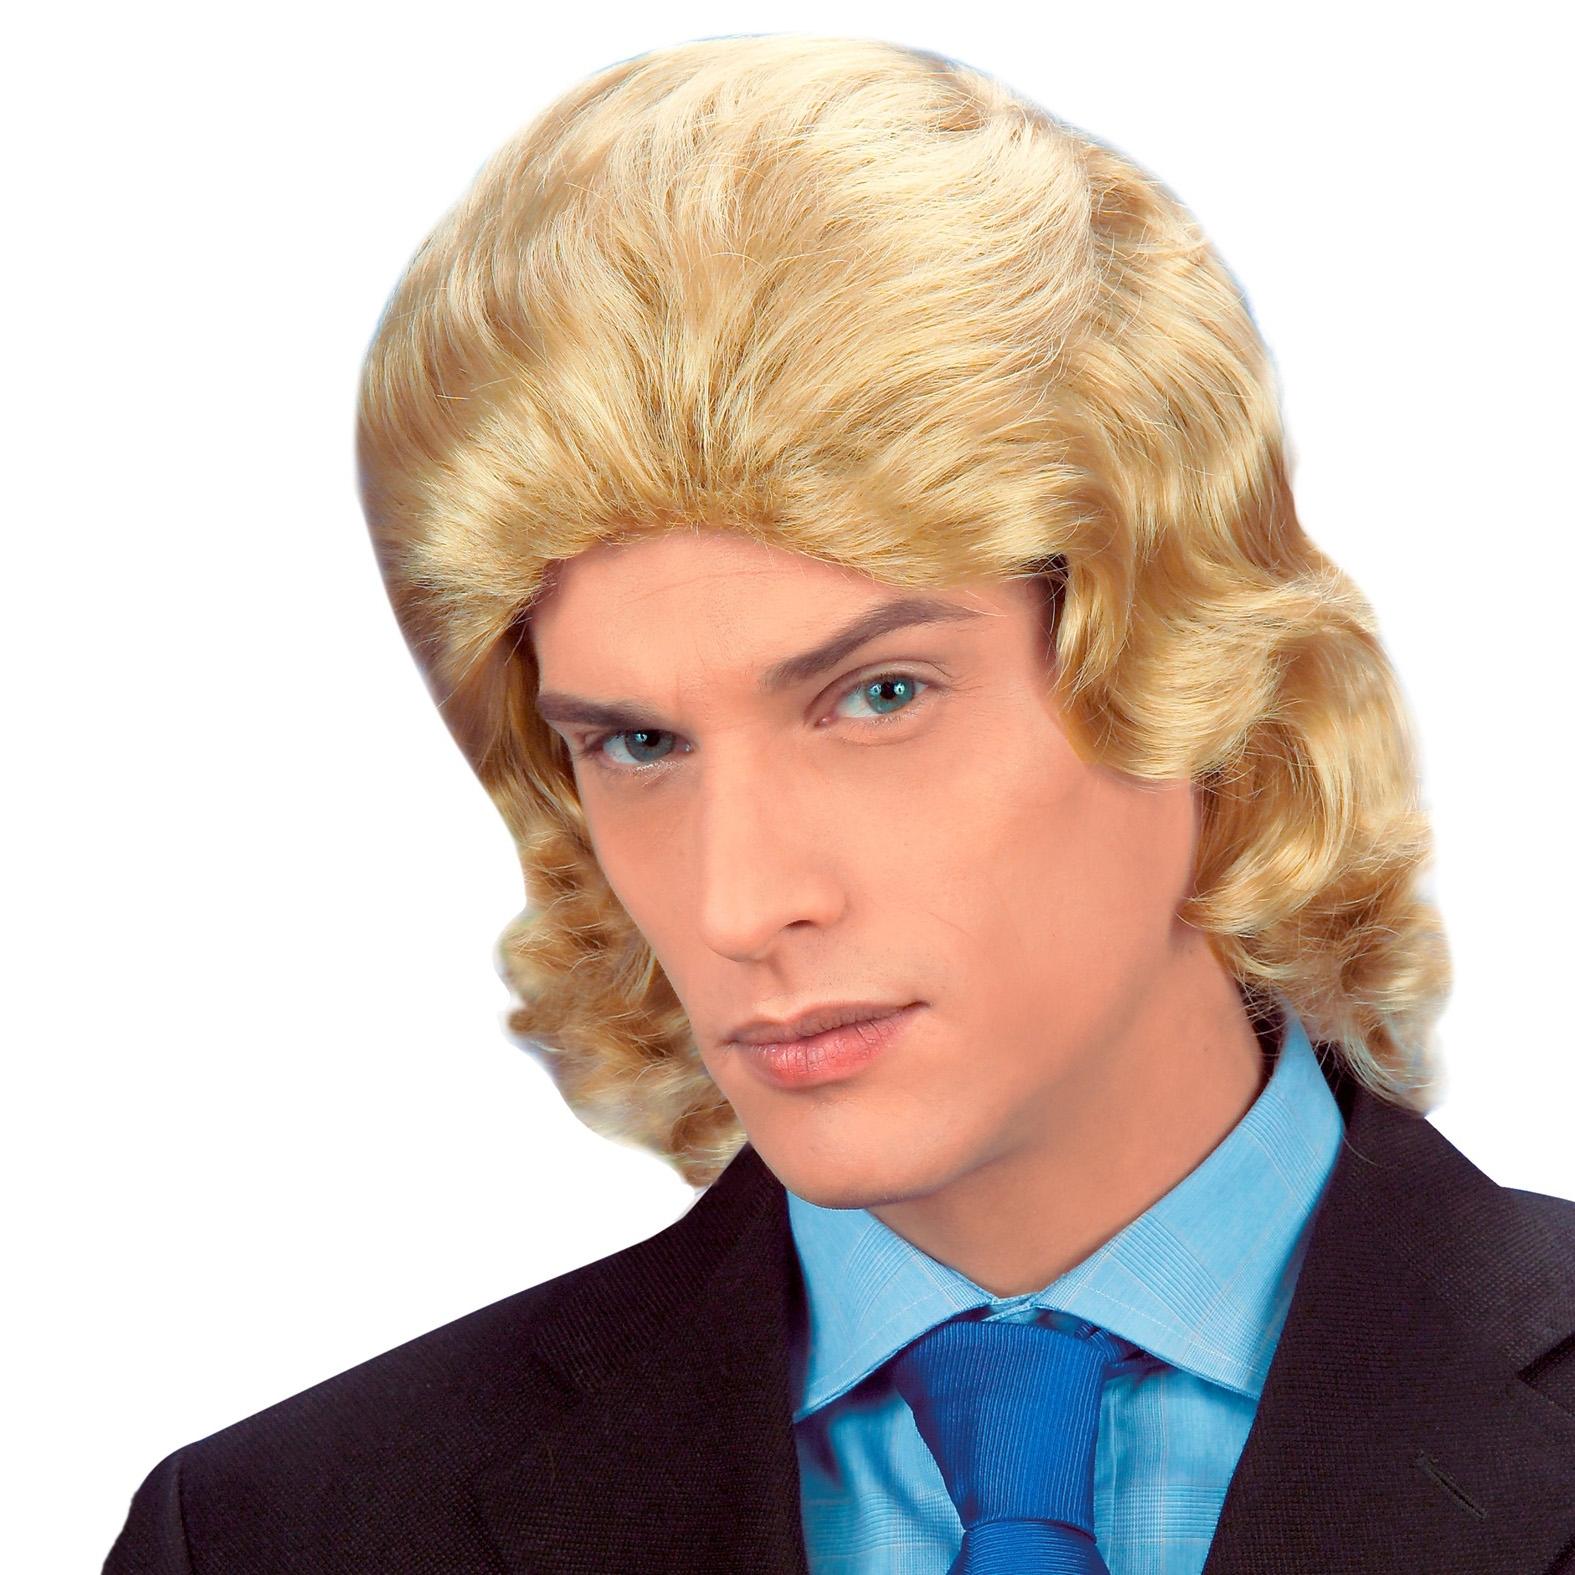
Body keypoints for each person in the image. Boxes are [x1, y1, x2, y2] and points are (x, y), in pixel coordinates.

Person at [104, 32, 1575, 1575]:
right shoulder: (283, 1537)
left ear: (1178, 669)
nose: (741, 902)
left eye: (879, 697)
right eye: (640, 744)